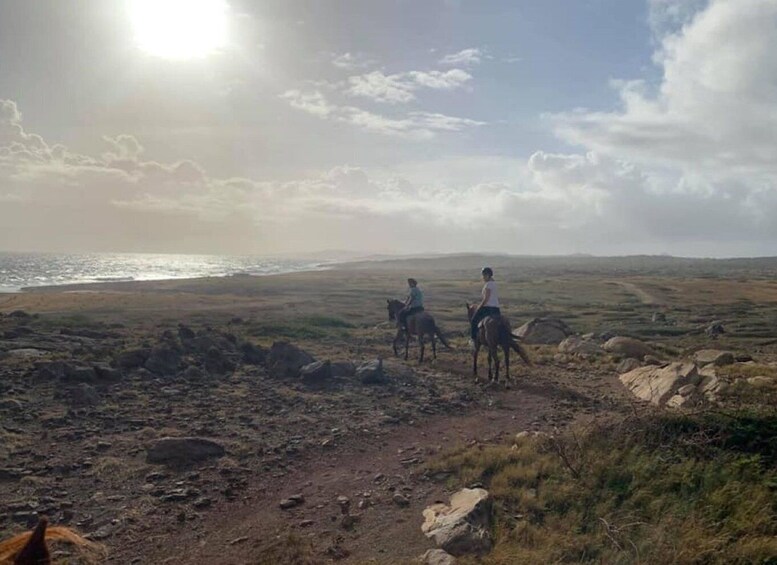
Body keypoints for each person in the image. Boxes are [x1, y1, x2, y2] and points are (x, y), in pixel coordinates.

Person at [470, 267, 501, 345]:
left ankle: (473, 339)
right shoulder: (494, 283)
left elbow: (486, 299)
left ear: (487, 275)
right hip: (496, 309)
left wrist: (479, 306)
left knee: (473, 320)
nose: (482, 277)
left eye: (483, 275)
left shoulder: (488, 284)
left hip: (488, 308)